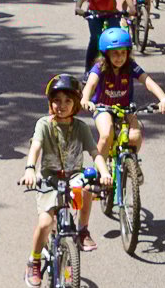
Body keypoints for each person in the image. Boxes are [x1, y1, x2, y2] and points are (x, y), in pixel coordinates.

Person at [19, 73, 103, 277]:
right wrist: (30, 168)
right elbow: (36, 147)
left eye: (67, 101)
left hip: (73, 176)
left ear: (76, 104)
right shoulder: (44, 124)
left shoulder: (81, 127)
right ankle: (34, 260)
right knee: (46, 223)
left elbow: (95, 153)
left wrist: (106, 173)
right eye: (56, 100)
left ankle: (83, 230)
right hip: (50, 179)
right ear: (50, 103)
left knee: (86, 188)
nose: (62, 105)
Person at [80, 27, 165, 189]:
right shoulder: (100, 67)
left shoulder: (130, 66)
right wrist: (86, 99)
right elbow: (91, 83)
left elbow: (148, 82)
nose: (119, 57)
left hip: (125, 107)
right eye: (115, 53)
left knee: (135, 135)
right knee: (106, 134)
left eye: (123, 53)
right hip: (103, 107)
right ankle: (98, 172)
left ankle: (132, 163)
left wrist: (163, 98)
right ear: (106, 54)